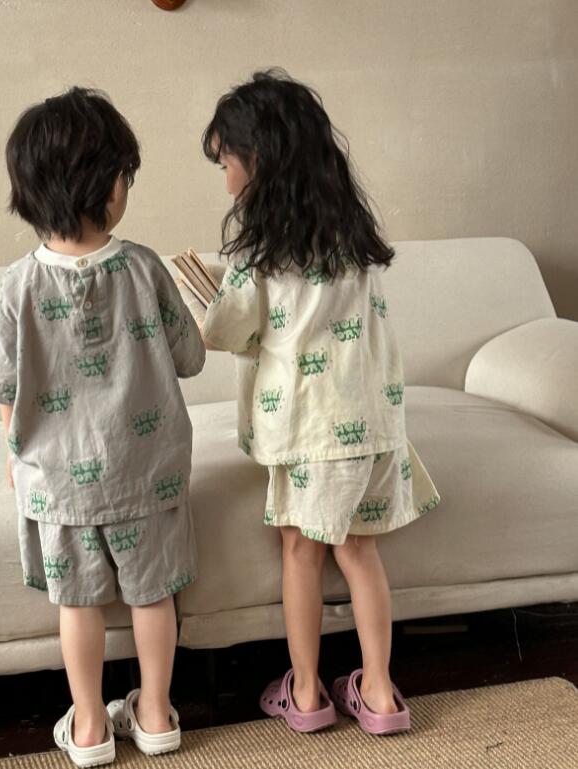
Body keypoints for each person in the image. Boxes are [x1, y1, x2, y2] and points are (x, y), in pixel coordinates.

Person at [198, 70, 440, 735]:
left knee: (300, 552)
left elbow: (229, 330)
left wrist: (205, 301)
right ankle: (381, 693)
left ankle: (306, 693)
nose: (226, 181)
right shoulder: (353, 239)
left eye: (226, 163)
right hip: (371, 424)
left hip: (307, 431)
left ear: (259, 160)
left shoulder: (258, 251)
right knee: (360, 551)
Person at [0, 87, 205, 766]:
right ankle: (155, 715)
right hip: (148, 475)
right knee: (154, 596)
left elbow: (2, 384)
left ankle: (90, 727)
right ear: (110, 186)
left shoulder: (17, 284)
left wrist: (14, 453)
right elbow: (189, 357)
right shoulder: (145, 268)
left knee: (77, 605)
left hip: (60, 486)